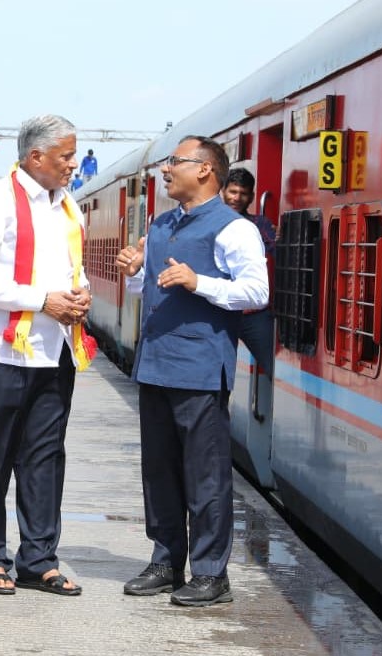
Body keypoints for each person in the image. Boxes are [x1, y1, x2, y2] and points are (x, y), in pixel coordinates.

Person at [113, 135, 268, 606]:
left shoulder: (235, 229)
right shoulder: (161, 225)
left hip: (200, 369)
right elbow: (151, 289)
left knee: (205, 476)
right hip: (156, 364)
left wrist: (199, 281)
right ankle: (166, 561)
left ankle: (210, 573)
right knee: (159, 472)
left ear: (204, 170)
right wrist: (135, 272)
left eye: (175, 161)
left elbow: (257, 292)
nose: (165, 170)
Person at [0, 114, 97, 597]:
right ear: (36, 157)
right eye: (65, 156)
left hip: (54, 353)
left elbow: (71, 270)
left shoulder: (69, 208)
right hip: (0, 355)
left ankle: (38, 560)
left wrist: (80, 293)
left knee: (45, 460)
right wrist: (43, 302)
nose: (73, 165)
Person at [222, 168, 276, 380]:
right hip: (218, 310)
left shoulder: (260, 225)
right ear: (223, 191)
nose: (237, 198)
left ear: (251, 197)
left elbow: (276, 251)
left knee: (275, 367)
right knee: (216, 371)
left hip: (252, 313)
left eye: (243, 193)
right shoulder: (210, 222)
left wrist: (281, 239)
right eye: (233, 191)